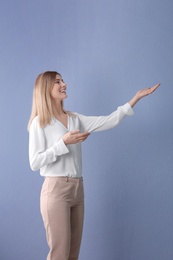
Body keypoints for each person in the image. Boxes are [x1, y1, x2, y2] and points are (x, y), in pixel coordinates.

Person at [28, 71, 160, 260]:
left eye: (63, 80)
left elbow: (110, 120)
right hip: (55, 190)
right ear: (45, 88)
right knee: (59, 254)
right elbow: (34, 162)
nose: (64, 84)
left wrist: (135, 98)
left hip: (78, 189)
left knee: (73, 255)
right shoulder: (39, 123)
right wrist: (63, 143)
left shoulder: (74, 119)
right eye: (58, 82)